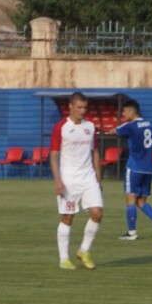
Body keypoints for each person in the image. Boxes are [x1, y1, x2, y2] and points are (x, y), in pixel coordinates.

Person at [50, 92, 104, 270]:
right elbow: (54, 155)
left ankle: (84, 250)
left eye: (85, 107)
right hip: (69, 179)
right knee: (67, 217)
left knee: (97, 213)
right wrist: (58, 180)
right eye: (79, 107)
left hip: (88, 177)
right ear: (71, 107)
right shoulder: (61, 127)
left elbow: (94, 151)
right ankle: (64, 259)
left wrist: (98, 176)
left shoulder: (90, 127)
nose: (83, 111)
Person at [114, 100, 152, 242]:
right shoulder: (149, 125)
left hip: (134, 168)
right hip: (148, 169)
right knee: (141, 201)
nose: (122, 114)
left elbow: (115, 131)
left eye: (124, 111)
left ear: (132, 111)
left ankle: (132, 233)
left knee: (130, 200)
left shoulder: (130, 126)